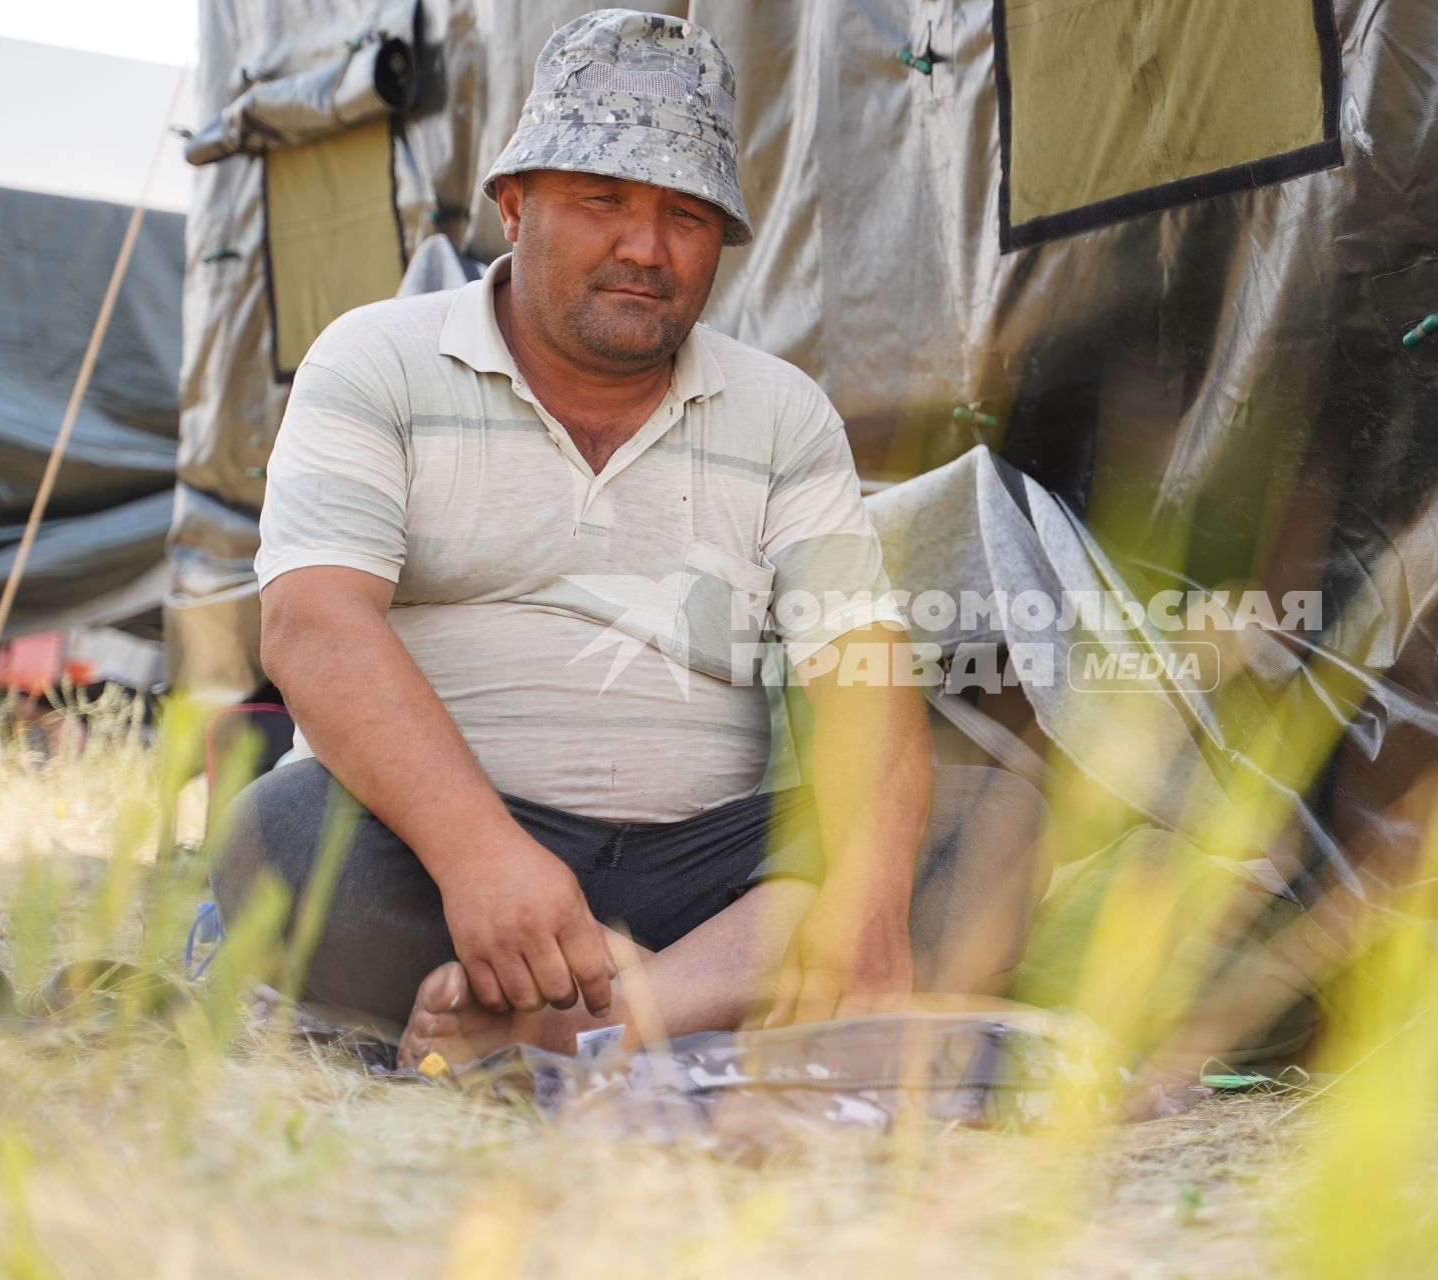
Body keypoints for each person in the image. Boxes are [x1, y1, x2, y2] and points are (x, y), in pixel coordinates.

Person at [210, 9, 1047, 1068]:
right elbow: (312, 624)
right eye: (603, 200)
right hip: (439, 855)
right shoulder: (373, 363)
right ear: (514, 204)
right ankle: (692, 997)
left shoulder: (784, 413)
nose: (646, 249)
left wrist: (872, 908)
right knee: (276, 840)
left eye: (687, 216)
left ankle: (596, 1014)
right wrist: (483, 860)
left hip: (711, 864)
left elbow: (859, 668)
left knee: (987, 824)